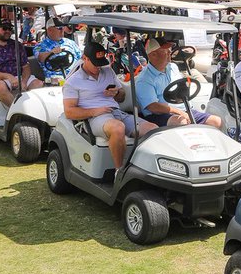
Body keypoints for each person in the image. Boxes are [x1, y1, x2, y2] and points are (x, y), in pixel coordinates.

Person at [63, 41, 156, 176]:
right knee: (117, 128)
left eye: (101, 63)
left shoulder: (107, 71)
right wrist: (95, 111)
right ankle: (120, 172)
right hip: (93, 117)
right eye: (95, 63)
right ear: (85, 58)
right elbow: (69, 111)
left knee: (152, 129)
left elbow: (121, 96)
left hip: (116, 112)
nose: (99, 67)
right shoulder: (73, 82)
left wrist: (116, 93)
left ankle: (144, 169)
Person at [135, 37, 223, 128]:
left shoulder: (172, 67)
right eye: (165, 51)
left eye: (169, 50)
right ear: (153, 55)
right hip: (159, 115)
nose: (170, 52)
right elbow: (153, 107)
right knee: (182, 122)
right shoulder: (144, 79)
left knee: (216, 121)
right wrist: (178, 112)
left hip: (184, 110)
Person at [32, 18, 81, 86]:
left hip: (75, 76)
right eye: (59, 28)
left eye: (63, 27)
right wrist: (51, 52)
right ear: (50, 30)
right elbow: (40, 57)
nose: (62, 30)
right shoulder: (40, 46)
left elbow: (81, 59)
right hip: (55, 79)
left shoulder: (71, 43)